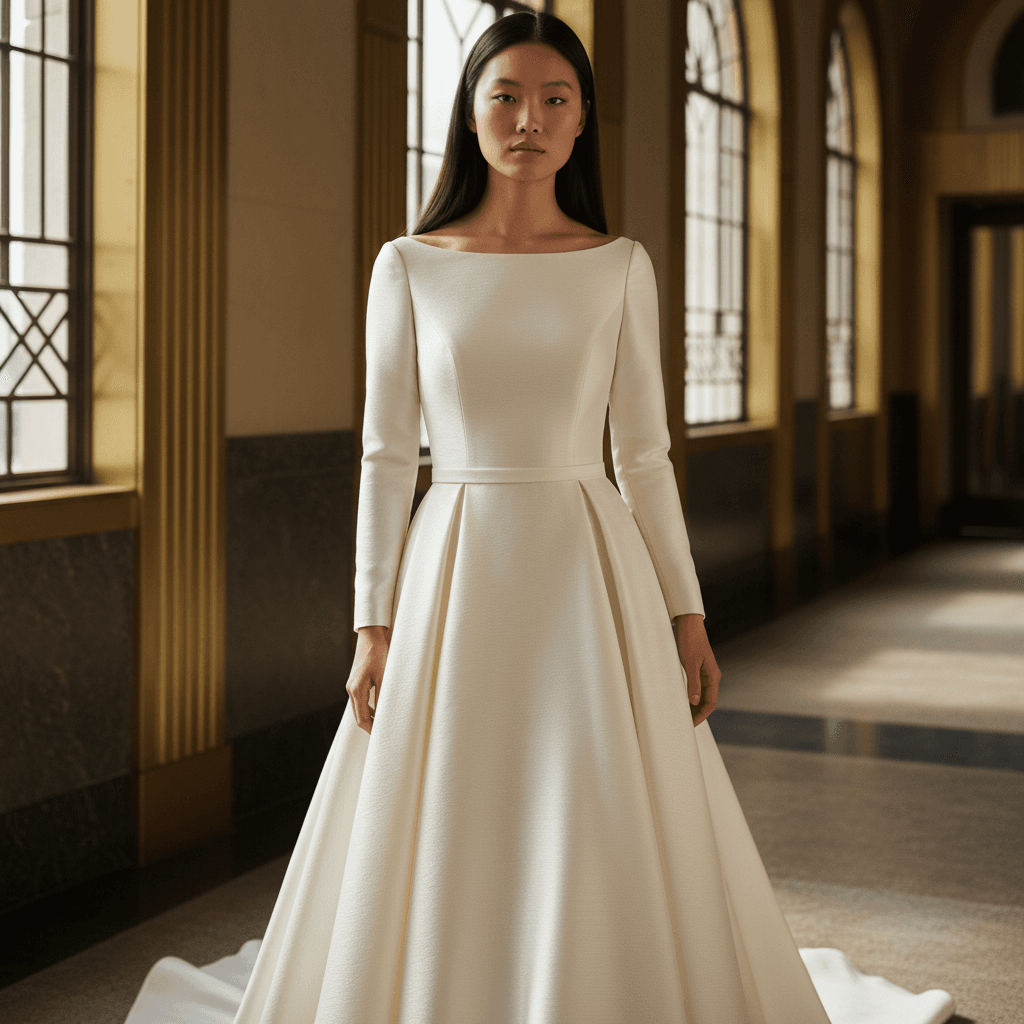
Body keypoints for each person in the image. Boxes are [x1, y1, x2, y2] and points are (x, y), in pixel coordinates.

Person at [124, 12, 955, 1024]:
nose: (529, 120)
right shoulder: (408, 265)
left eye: (554, 99)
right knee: (450, 791)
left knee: (588, 785)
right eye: (507, 96)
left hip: (587, 565)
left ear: (582, 120)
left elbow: (643, 457)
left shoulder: (619, 265)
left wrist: (686, 612)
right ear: (471, 114)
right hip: (454, 563)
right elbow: (386, 456)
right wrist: (372, 623)